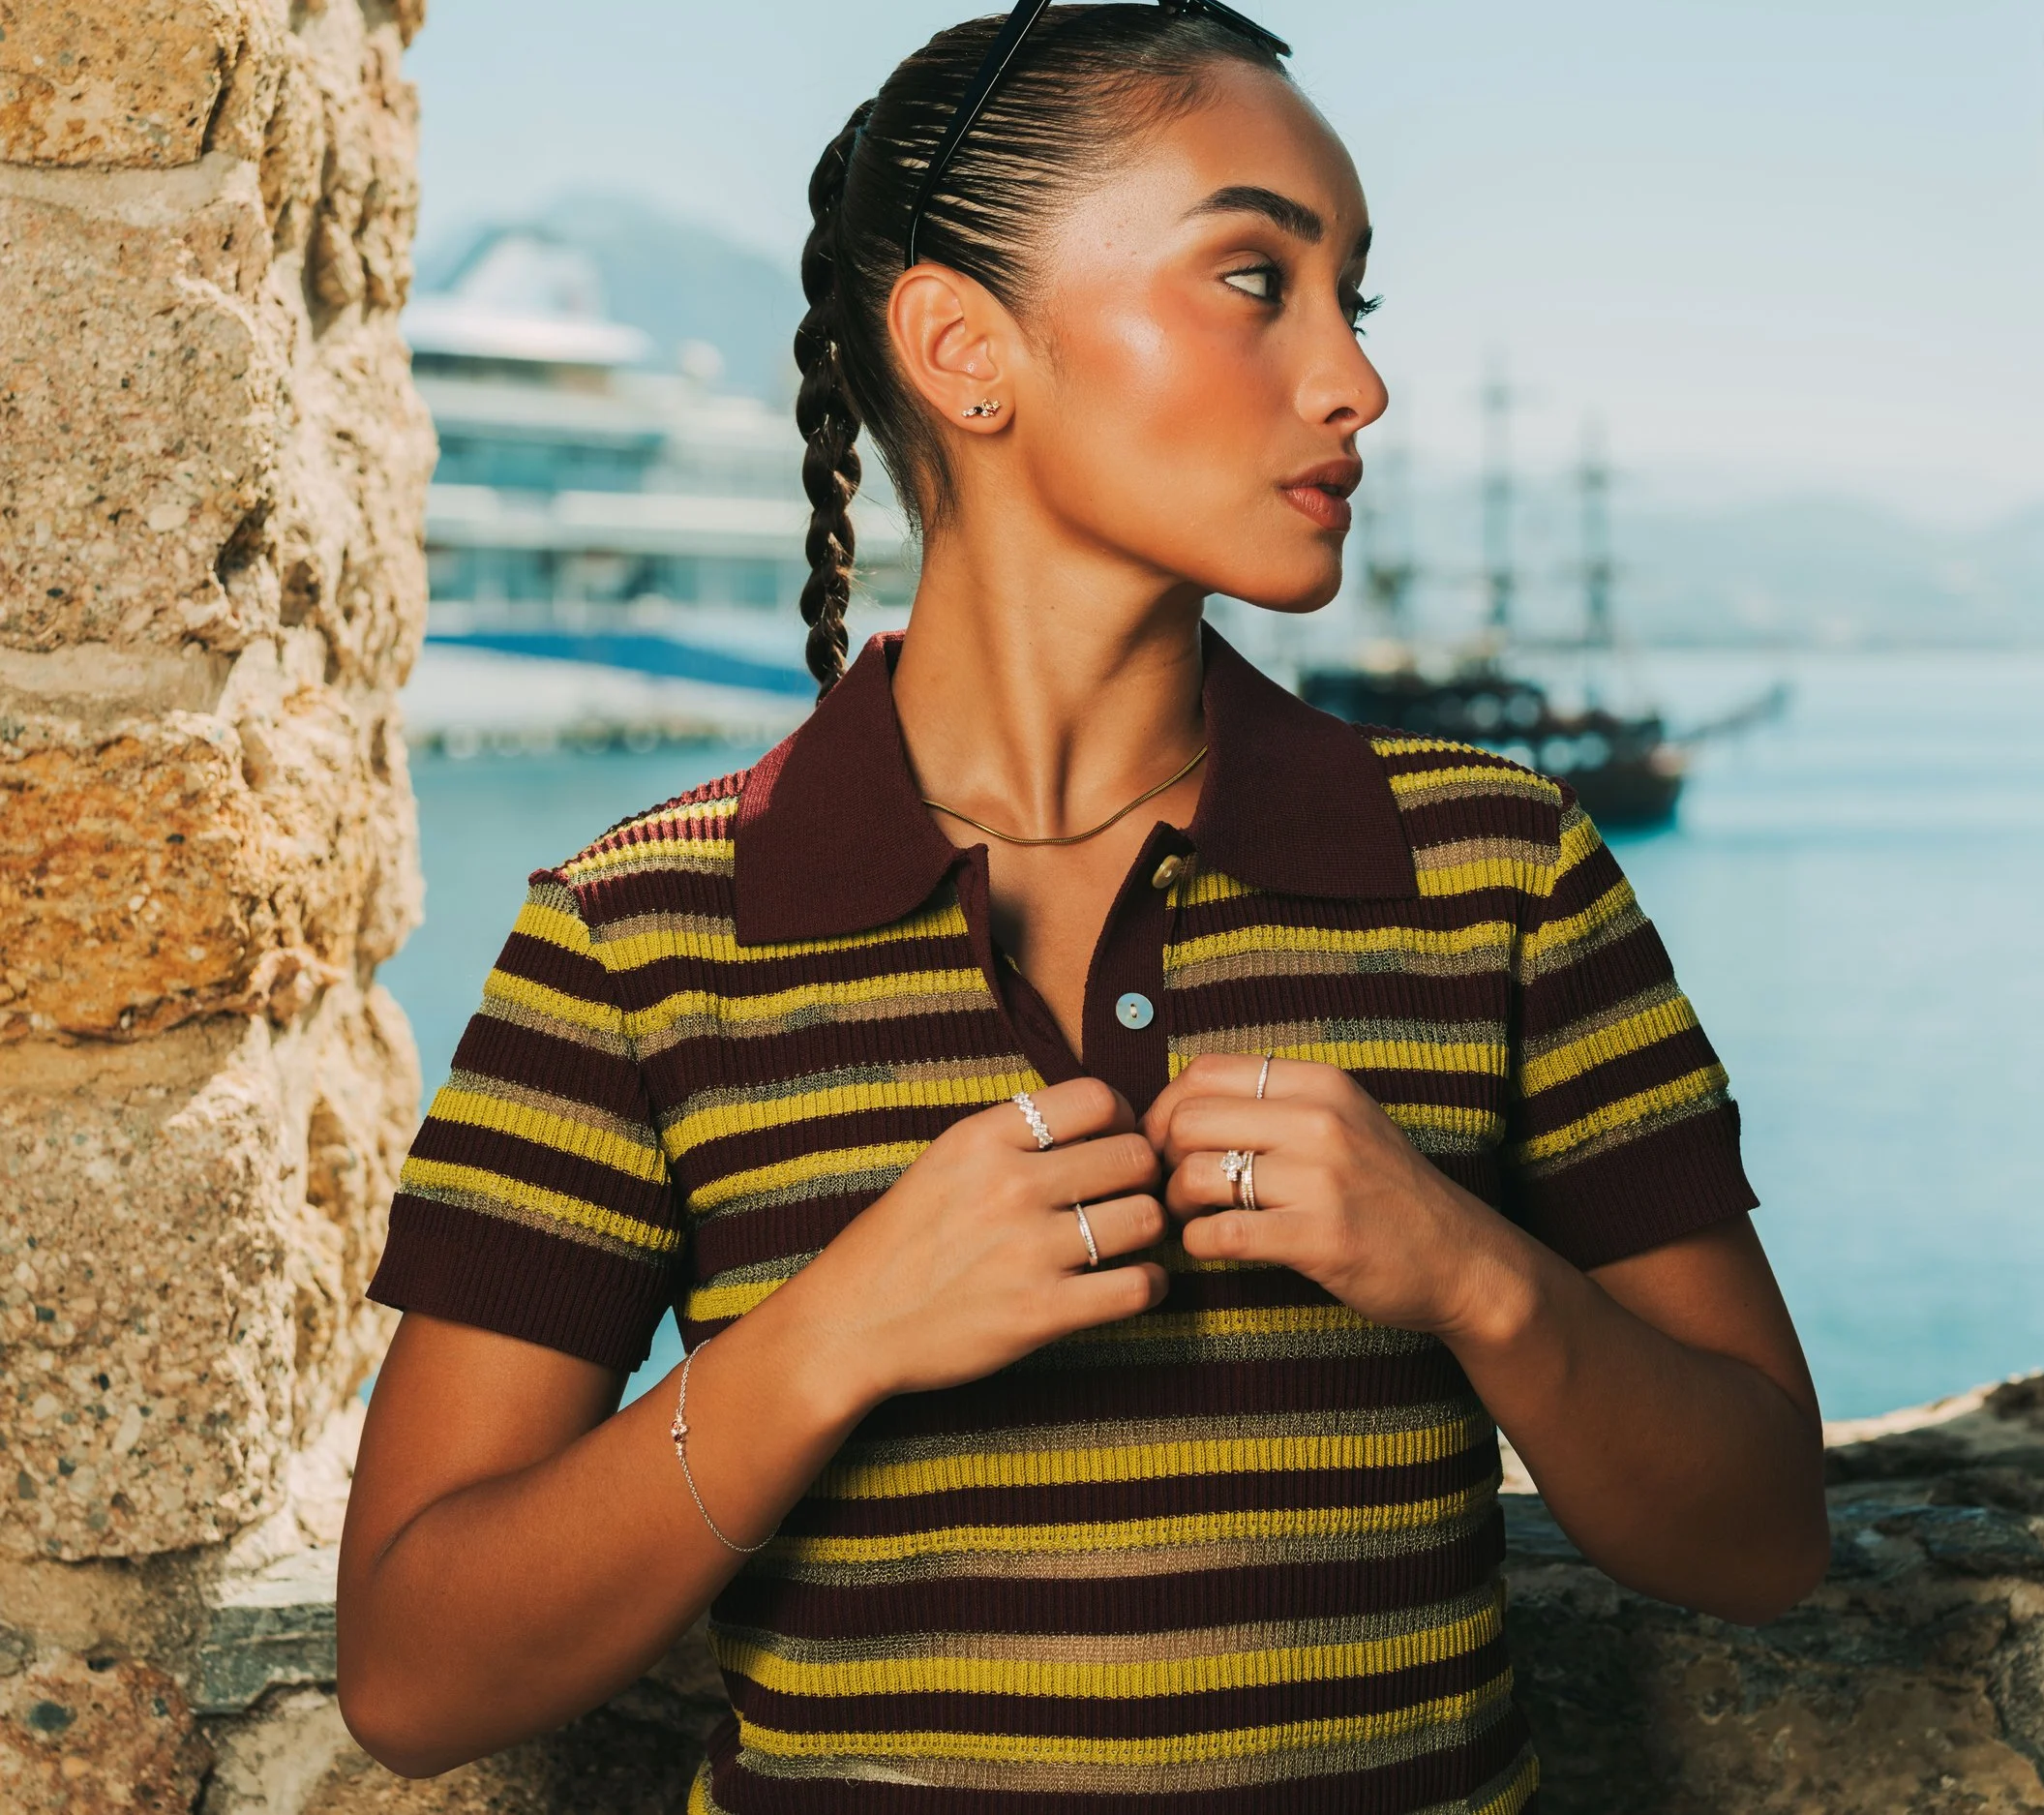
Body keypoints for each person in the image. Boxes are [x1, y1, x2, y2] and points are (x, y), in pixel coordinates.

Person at [337, 5, 1831, 1808]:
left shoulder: (1500, 875)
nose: (1355, 381)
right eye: (1253, 277)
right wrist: (834, 1334)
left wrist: (1468, 1273)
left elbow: (1763, 1534)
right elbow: (415, 1671)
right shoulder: (634, 937)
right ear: (967, 346)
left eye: (1353, 298)